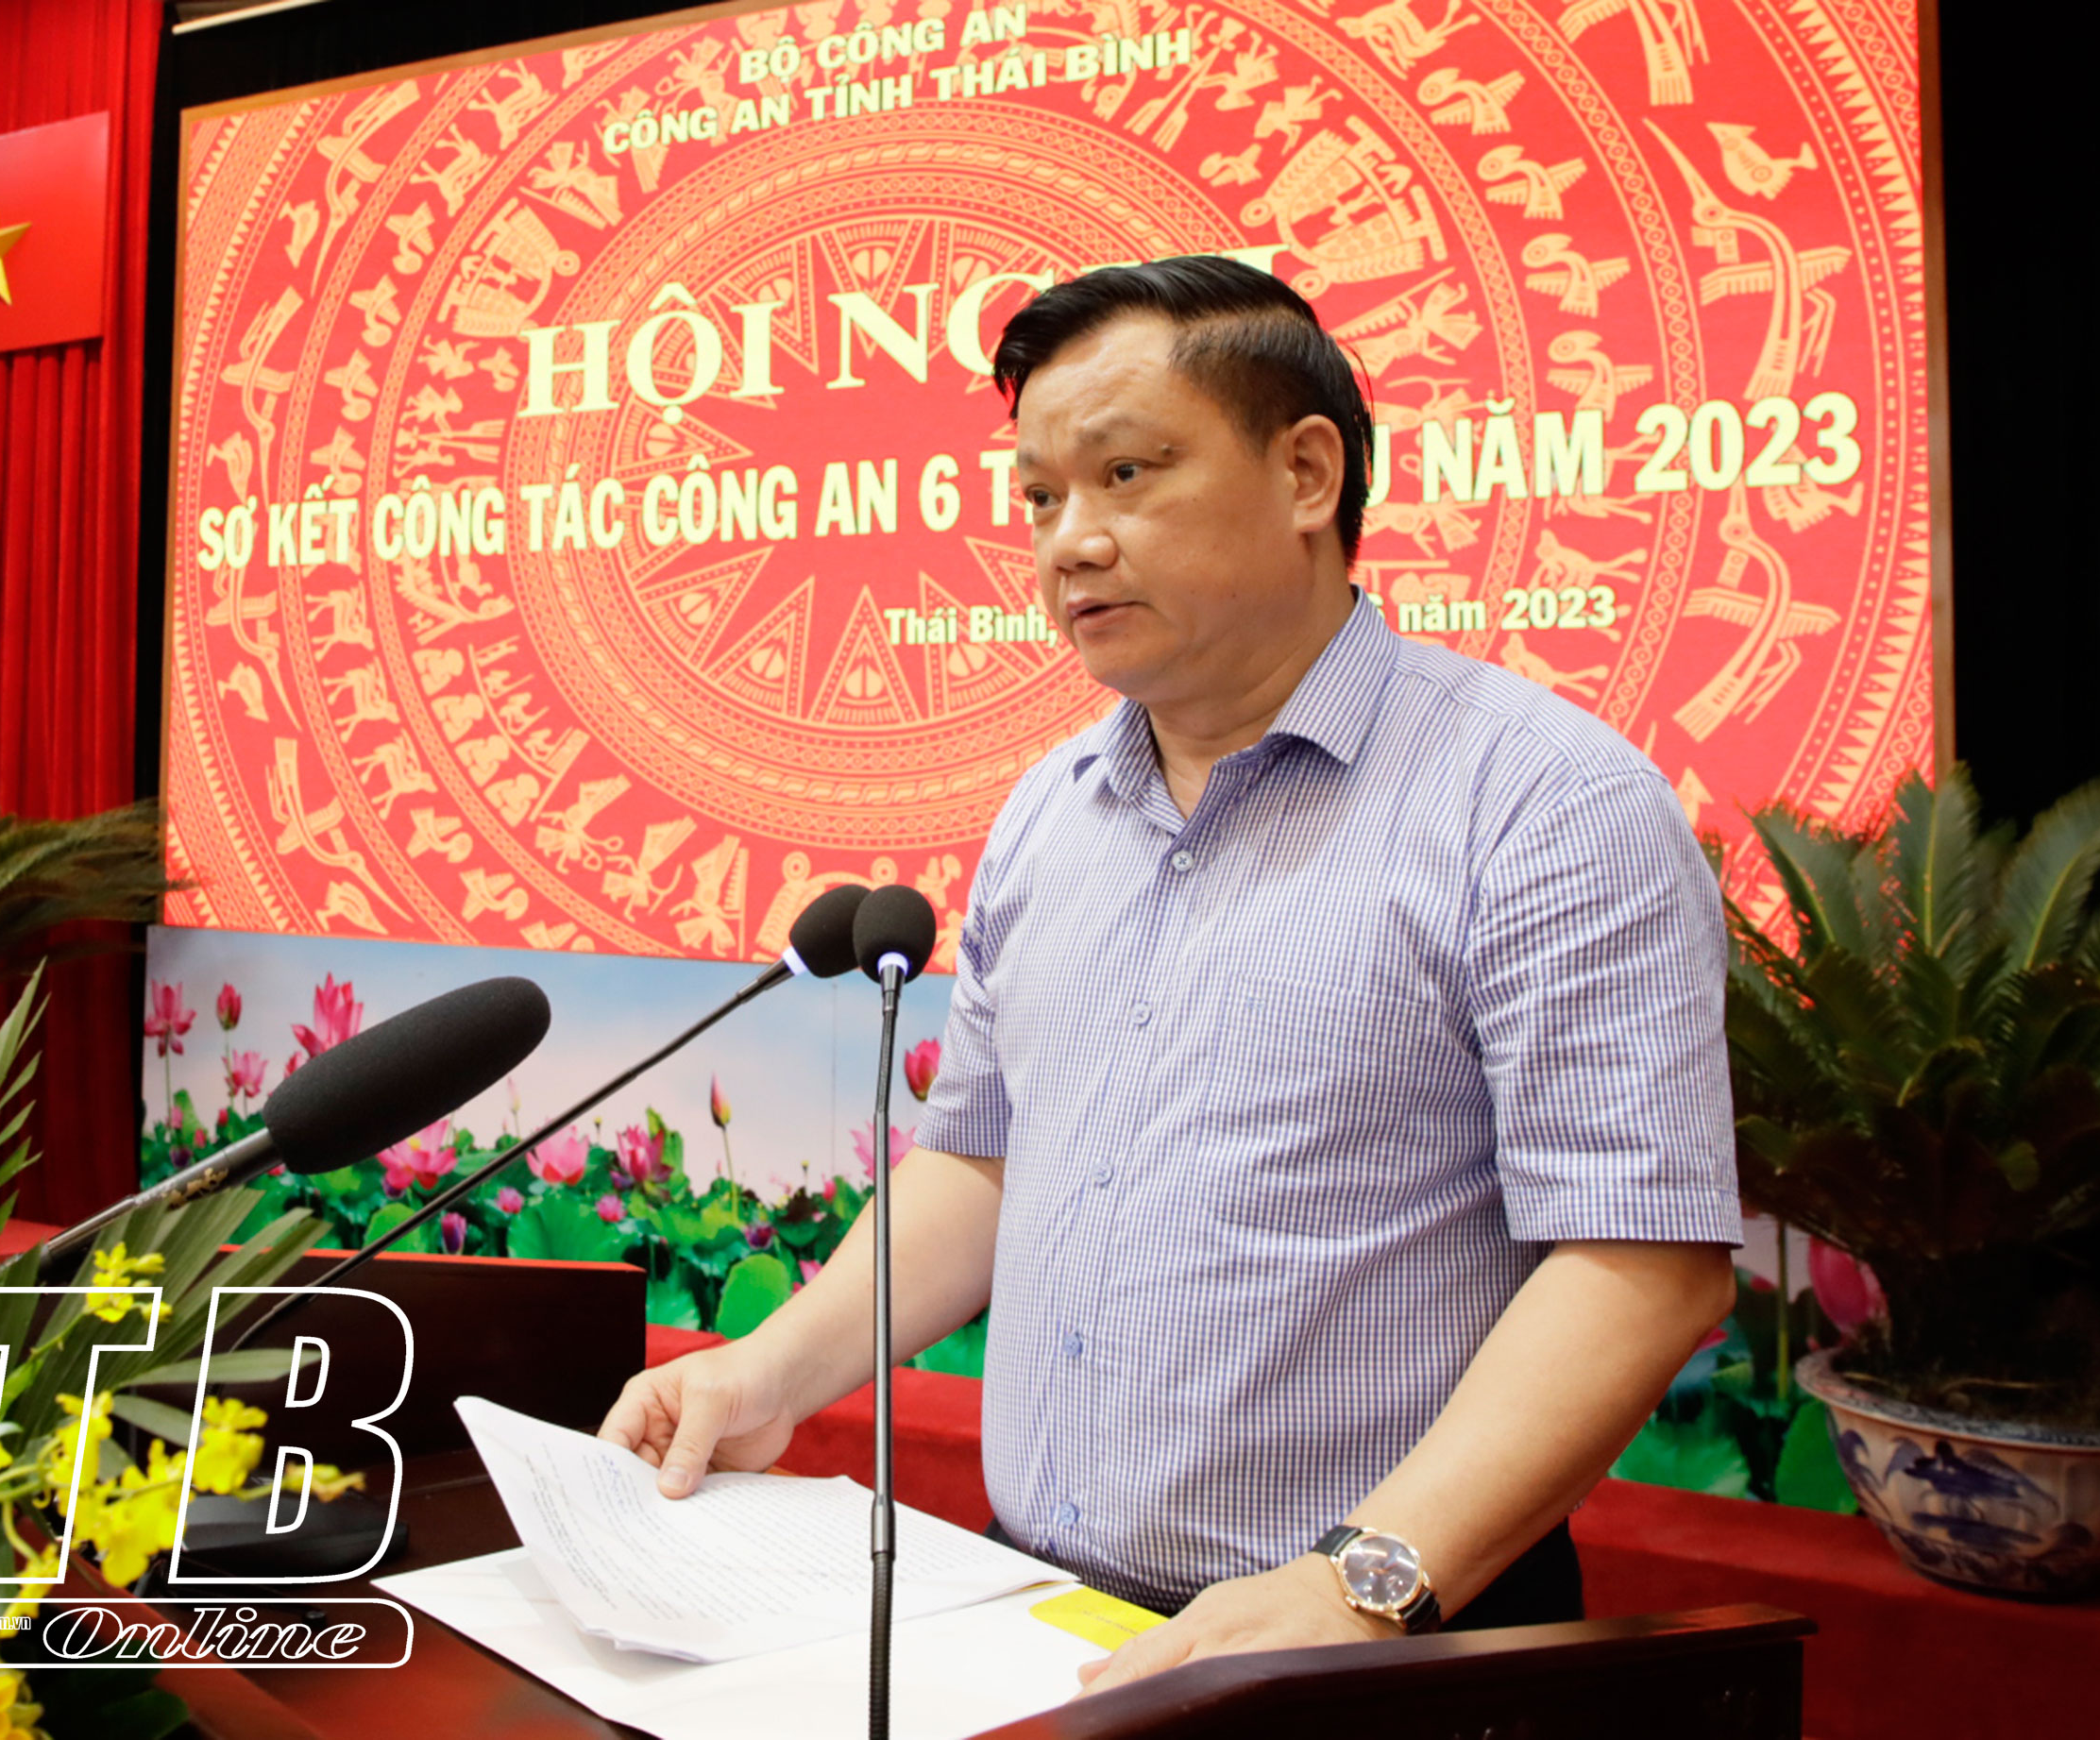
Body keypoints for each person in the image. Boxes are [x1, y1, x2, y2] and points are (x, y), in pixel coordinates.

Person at [599, 256, 1741, 1695]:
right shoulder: (1050, 811)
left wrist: (1360, 1581)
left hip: (1377, 1636)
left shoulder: (1543, 803)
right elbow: (980, 1162)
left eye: (1126, 474)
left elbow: (1643, 1264)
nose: (1070, 542)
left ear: (1307, 472)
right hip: (1038, 1611)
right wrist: (768, 1366)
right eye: (1038, 497)